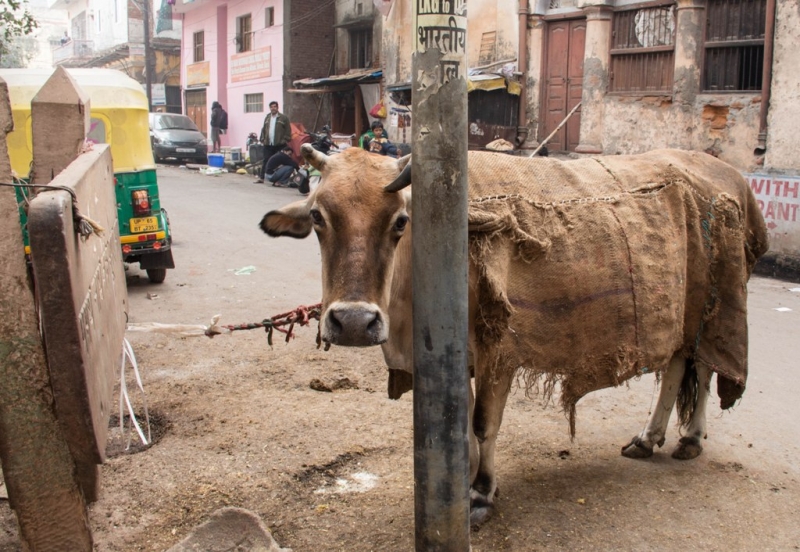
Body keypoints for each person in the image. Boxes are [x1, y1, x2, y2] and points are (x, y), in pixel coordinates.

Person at [256, 101, 291, 183]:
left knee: (279, 161)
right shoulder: (267, 117)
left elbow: (288, 130)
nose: (273, 108)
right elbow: (264, 129)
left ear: (277, 107)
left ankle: (279, 179)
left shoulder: (283, 118)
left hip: (279, 144)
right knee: (266, 160)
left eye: (275, 106)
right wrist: (262, 139)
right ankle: (262, 178)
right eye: (271, 107)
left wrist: (284, 140)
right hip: (268, 144)